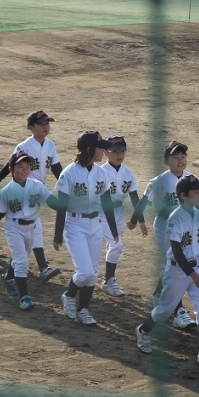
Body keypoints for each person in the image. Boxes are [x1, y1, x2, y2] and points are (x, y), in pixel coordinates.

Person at [135, 174, 199, 366]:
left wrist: (195, 272)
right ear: (183, 195)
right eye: (196, 192)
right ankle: (143, 330)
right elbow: (176, 249)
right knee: (165, 310)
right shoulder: (175, 219)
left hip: (197, 266)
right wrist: (192, 274)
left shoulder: (197, 215)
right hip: (177, 271)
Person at [130, 140, 199, 329]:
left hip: (186, 228)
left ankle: (158, 294)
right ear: (166, 161)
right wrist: (136, 221)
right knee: (175, 264)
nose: (180, 160)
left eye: (183, 156)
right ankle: (179, 312)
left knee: (171, 265)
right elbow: (143, 202)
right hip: (164, 227)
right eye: (175, 157)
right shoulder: (159, 181)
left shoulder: (191, 178)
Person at [53, 131, 118, 326]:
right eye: (100, 148)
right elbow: (62, 206)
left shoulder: (101, 173)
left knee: (93, 274)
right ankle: (69, 296)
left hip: (96, 224)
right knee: (85, 272)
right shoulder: (69, 173)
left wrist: (114, 230)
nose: (103, 152)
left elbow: (106, 203)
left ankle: (84, 310)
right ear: (90, 149)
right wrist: (57, 236)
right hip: (75, 225)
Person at [0, 110, 63, 283]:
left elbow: (56, 168)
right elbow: (10, 164)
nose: (46, 127)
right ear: (31, 127)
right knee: (34, 227)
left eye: (47, 123)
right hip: (24, 190)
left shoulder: (50, 145)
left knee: (30, 235)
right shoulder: (24, 146)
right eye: (41, 124)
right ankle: (43, 268)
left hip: (39, 189)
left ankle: (10, 276)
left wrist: (65, 185)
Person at [0, 150, 61, 309]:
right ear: (11, 169)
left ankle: (7, 278)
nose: (24, 170)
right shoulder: (7, 191)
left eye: (27, 167)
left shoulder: (36, 186)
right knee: (22, 261)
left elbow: (51, 201)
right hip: (14, 228)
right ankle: (24, 298)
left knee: (19, 258)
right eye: (20, 167)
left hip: (32, 227)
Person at [99, 135, 144, 296]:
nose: (119, 155)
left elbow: (134, 197)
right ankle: (108, 280)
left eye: (122, 151)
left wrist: (140, 220)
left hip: (118, 212)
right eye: (114, 151)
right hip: (102, 212)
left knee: (112, 247)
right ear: (105, 152)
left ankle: (108, 279)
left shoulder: (128, 173)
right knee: (116, 245)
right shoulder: (101, 172)